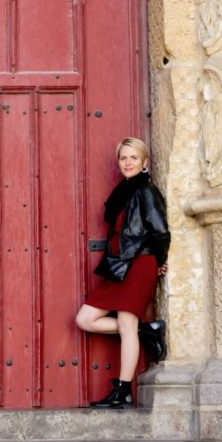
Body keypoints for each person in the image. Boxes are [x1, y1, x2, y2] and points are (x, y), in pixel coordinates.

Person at [75, 138, 170, 409]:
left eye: (134, 158)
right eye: (123, 158)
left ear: (144, 162)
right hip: (120, 264)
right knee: (85, 318)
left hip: (140, 263)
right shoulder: (123, 192)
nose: (128, 162)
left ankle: (122, 391)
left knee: (126, 326)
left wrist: (160, 261)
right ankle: (148, 331)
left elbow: (160, 230)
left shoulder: (146, 191)